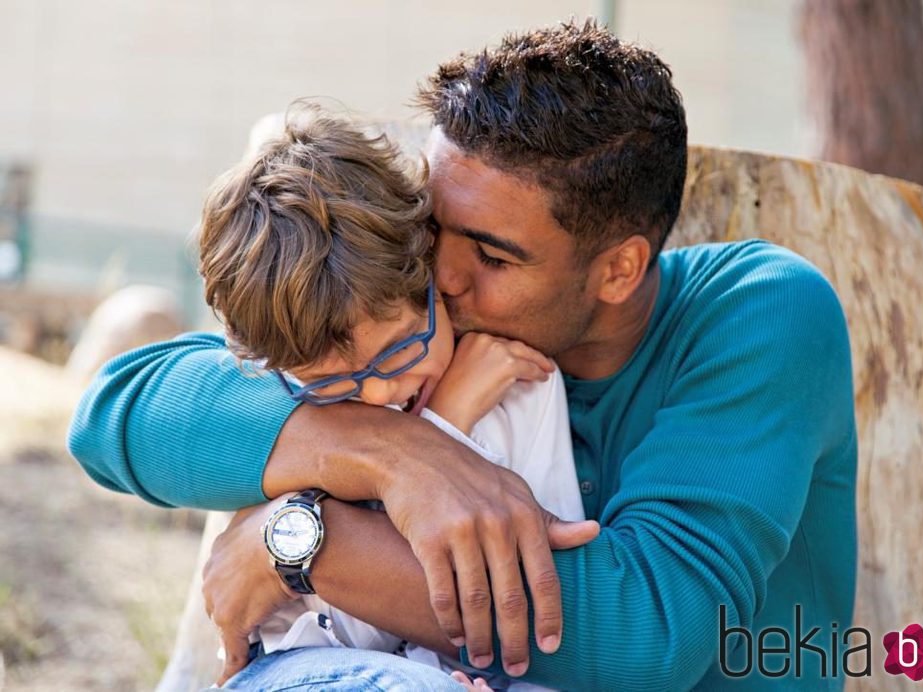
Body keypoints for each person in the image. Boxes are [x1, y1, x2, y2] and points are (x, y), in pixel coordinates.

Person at [69, 20, 857, 690]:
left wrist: (306, 545)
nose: (441, 276)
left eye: (492, 255)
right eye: (436, 232)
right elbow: (120, 413)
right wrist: (393, 452)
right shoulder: (413, 341)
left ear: (618, 269)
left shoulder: (759, 310)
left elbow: (645, 634)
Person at [195, 102, 589, 690]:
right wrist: (439, 427)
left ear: (428, 268)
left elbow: (535, 597)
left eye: (401, 349)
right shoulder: (296, 412)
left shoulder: (519, 385)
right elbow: (339, 629)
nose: (379, 393)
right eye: (334, 381)